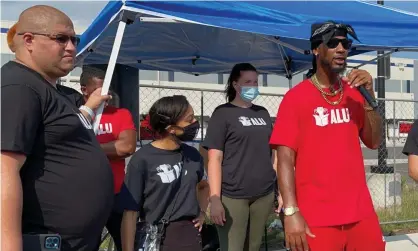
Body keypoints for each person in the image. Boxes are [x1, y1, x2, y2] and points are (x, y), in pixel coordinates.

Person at [1, 5, 114, 251]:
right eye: (61, 39)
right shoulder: (19, 86)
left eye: (75, 39)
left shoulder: (48, 90)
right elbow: (4, 169)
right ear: (28, 40)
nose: (72, 47)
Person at [270, 21, 385, 251]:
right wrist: (291, 211)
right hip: (317, 219)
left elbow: (374, 142)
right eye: (332, 43)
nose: (341, 49)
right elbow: (284, 159)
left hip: (360, 214)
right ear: (316, 49)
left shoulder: (354, 94)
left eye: (345, 43)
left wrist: (370, 96)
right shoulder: (296, 99)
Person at [202, 63, 278, 251]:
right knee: (232, 247)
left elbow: (273, 152)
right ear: (235, 84)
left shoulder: (263, 112)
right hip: (233, 195)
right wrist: (215, 199)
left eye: (255, 82)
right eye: (247, 82)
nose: (253, 86)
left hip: (263, 194)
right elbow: (214, 159)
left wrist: (278, 189)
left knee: (253, 246)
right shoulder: (222, 113)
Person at [120, 95, 210, 251]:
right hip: (155, 238)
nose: (195, 123)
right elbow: (130, 213)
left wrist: (202, 213)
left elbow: (203, 186)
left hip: (189, 236)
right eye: (189, 120)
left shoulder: (194, 155)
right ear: (171, 129)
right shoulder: (142, 159)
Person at [79, 67, 137, 251]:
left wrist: (85, 148)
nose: (107, 95)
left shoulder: (121, 114)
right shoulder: (76, 117)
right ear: (84, 89)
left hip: (116, 193)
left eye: (108, 90)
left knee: (127, 244)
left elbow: (126, 147)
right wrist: (110, 147)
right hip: (84, 195)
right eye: (100, 90)